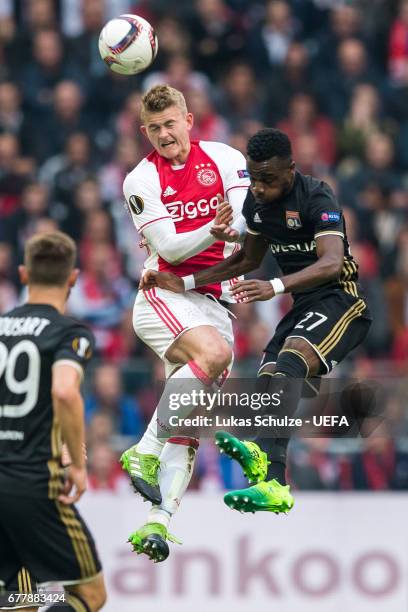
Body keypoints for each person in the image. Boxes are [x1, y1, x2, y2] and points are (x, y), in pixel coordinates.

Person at [141, 128, 372, 515]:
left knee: (291, 361)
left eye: (268, 179)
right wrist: (181, 283)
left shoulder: (318, 197)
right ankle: (274, 484)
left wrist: (275, 286)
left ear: (291, 170)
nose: (259, 188)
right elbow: (246, 260)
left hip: (340, 299)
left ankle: (265, 457)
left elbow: (331, 263)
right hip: (303, 304)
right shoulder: (256, 204)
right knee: (268, 383)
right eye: (254, 177)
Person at [120, 84, 250, 561]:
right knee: (214, 354)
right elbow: (172, 250)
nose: (164, 135)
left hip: (216, 303)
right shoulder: (140, 180)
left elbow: (242, 214)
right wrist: (213, 231)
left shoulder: (224, 157)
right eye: (154, 129)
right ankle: (143, 449)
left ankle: (158, 521)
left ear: (189, 121)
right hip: (164, 293)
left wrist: (229, 227)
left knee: (189, 422)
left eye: (170, 124)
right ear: (144, 131)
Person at [0, 231, 106, 611]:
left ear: (24, 274)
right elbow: (64, 390)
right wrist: (77, 465)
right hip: (33, 483)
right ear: (73, 277)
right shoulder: (68, 332)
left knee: (18, 602)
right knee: (90, 594)